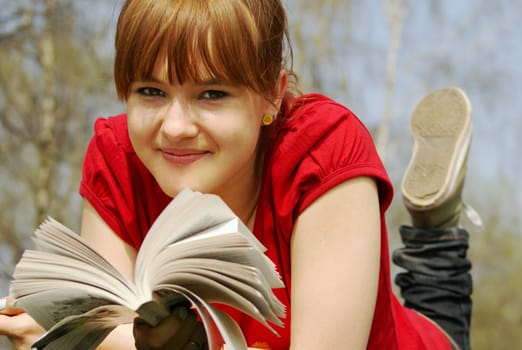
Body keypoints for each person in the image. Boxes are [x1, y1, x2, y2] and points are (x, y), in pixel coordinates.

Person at [0, 0, 474, 349]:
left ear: (272, 93)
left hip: (413, 343)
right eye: (150, 91)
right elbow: (113, 325)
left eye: (212, 94)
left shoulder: (323, 148)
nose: (176, 127)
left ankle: (436, 225)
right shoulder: (117, 157)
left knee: (440, 314)